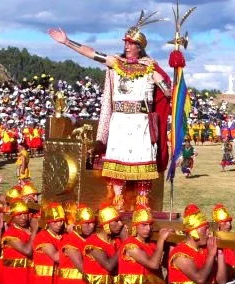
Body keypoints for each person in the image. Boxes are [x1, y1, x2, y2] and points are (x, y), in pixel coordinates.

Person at [48, 10, 173, 209]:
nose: (127, 45)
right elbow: (91, 53)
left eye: (131, 43)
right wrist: (67, 41)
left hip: (141, 121)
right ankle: (118, 201)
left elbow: (169, 92)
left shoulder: (151, 67)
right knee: (117, 162)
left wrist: (177, 68)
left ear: (140, 47)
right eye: (126, 42)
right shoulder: (115, 62)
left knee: (143, 161)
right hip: (120, 120)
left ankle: (142, 202)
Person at [168, 204, 226, 284]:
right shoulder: (179, 254)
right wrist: (211, 255)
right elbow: (200, 279)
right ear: (193, 232)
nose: (208, 233)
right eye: (205, 229)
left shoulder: (206, 249)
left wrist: (220, 253)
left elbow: (222, 281)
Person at [117, 204, 170, 284]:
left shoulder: (151, 244)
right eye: (144, 225)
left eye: (150, 225)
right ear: (135, 226)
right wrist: (161, 239)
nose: (148, 228)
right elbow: (153, 265)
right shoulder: (130, 246)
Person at [84, 205, 124, 284]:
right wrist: (125, 242)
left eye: (120, 220)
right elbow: (109, 265)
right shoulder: (92, 242)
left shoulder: (117, 241)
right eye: (116, 221)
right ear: (106, 224)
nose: (121, 224)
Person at [0, 201, 38, 284]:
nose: (23, 217)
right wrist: (35, 230)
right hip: (17, 279)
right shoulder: (10, 234)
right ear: (12, 217)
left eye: (25, 214)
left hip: (31, 277)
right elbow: (28, 251)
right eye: (19, 214)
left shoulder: (29, 230)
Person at [58, 204, 97, 284]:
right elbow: (83, 269)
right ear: (79, 224)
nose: (91, 226)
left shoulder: (92, 239)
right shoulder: (70, 240)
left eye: (92, 223)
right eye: (86, 223)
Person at [32, 203, 66, 284]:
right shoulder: (42, 236)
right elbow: (56, 257)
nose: (59, 224)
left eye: (61, 221)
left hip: (59, 283)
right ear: (49, 222)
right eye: (55, 221)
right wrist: (72, 240)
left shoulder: (63, 237)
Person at [214, 204, 235, 282]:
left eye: (230, 222)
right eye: (225, 222)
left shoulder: (233, 240)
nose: (229, 225)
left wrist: (232, 243)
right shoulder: (211, 241)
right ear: (217, 224)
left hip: (232, 281)